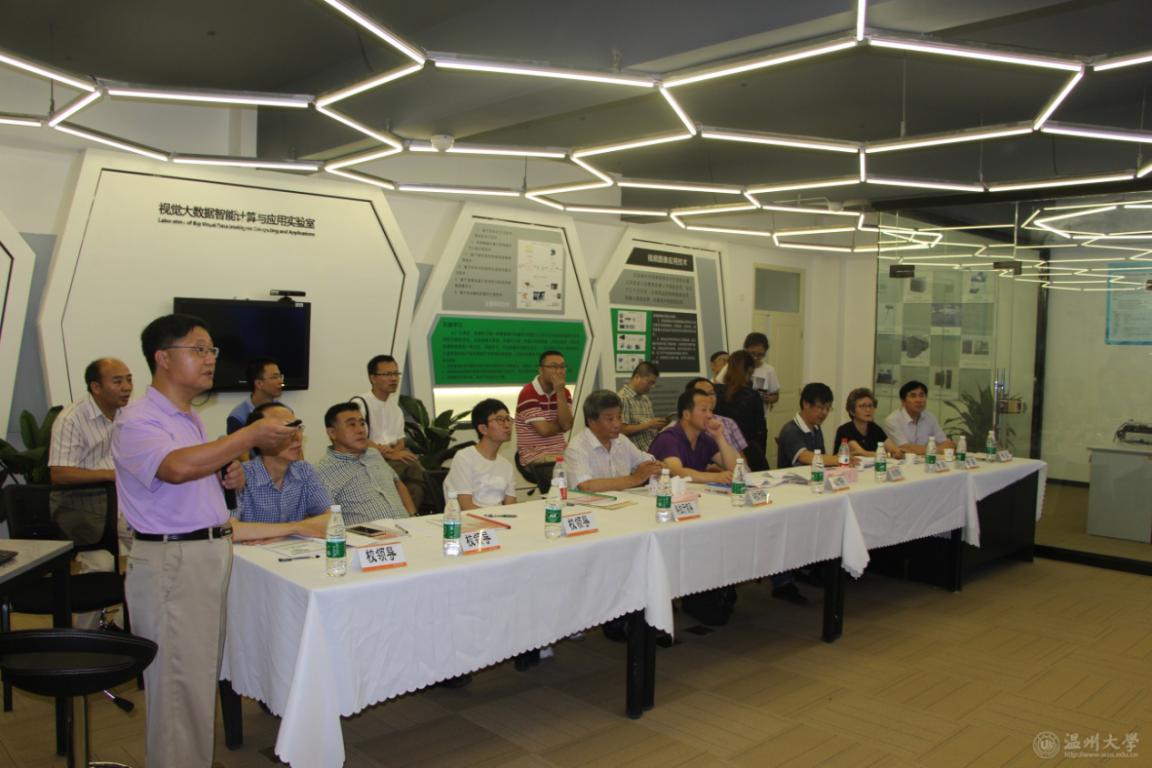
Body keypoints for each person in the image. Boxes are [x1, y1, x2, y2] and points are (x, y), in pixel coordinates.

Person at [112, 313, 296, 768]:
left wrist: (224, 475)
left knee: (196, 680)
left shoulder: (188, 418)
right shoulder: (137, 419)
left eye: (211, 350)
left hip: (204, 553)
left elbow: (187, 475)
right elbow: (174, 468)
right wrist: (245, 437)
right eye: (198, 349)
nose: (210, 359)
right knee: (177, 688)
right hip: (173, 559)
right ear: (163, 358)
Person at [48, 357, 133, 627]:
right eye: (117, 381)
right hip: (80, 506)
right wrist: (112, 476)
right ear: (96, 387)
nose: (127, 387)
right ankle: (84, 639)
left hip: (120, 504)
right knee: (101, 566)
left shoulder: (129, 414)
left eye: (129, 379)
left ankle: (118, 626)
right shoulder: (72, 419)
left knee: (157, 556)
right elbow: (59, 474)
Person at [231, 402, 332, 542]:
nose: (296, 436)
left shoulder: (304, 471)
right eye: (285, 430)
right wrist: (294, 529)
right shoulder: (239, 476)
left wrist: (289, 530)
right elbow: (229, 530)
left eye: (298, 428)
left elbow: (333, 519)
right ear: (258, 439)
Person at [316, 402, 416, 525]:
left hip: (408, 528)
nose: (360, 430)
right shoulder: (322, 472)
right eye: (351, 424)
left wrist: (414, 516)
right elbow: (321, 518)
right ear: (332, 433)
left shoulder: (374, 454)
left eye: (362, 423)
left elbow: (397, 483)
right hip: (369, 536)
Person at [353, 354, 426, 511]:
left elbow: (400, 441)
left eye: (396, 373)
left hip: (390, 457)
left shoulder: (396, 409)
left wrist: (394, 453)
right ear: (372, 378)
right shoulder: (360, 403)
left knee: (414, 465)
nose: (393, 378)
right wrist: (389, 454)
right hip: (367, 459)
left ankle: (410, 513)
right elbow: (357, 438)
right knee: (413, 468)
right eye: (387, 374)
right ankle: (409, 514)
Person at [564, 390, 664, 493]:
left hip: (623, 501)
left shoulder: (621, 440)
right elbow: (586, 486)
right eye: (610, 419)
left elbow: (645, 461)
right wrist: (634, 479)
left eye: (619, 417)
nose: (617, 424)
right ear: (591, 421)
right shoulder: (577, 447)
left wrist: (655, 466)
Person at [649, 388, 738, 483]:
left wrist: (719, 437)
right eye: (704, 410)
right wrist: (715, 477)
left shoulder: (704, 439)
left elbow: (737, 468)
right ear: (686, 414)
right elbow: (676, 472)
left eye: (711, 410)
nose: (710, 415)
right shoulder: (668, 438)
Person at [443, 398, 518, 510]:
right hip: (472, 519)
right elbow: (465, 506)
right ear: (483, 429)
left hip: (499, 518)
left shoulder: (506, 465)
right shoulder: (464, 458)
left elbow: (511, 506)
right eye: (500, 420)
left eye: (508, 419)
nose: (507, 425)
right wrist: (495, 518)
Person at [514, 350, 574, 480]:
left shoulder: (564, 393)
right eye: (554, 367)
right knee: (566, 474)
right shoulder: (528, 393)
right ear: (541, 370)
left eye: (562, 367)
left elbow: (566, 425)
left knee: (587, 463)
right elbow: (544, 431)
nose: (559, 371)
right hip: (535, 455)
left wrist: (559, 392)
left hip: (560, 451)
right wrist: (560, 425)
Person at [715, 350, 769, 471]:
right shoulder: (752, 396)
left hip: (720, 451)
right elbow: (760, 431)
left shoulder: (715, 391)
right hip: (747, 451)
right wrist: (761, 453)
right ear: (749, 370)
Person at [683, 377, 749, 461]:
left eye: (712, 393)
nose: (710, 398)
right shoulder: (684, 427)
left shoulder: (728, 423)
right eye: (703, 394)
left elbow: (741, 460)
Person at [883, 380, 955, 455]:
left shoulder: (930, 417)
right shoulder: (893, 420)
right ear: (903, 401)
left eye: (921, 395)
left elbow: (946, 444)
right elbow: (905, 448)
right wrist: (938, 448)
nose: (918, 400)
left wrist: (946, 446)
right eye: (913, 396)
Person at [834, 388, 905, 460]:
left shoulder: (875, 428)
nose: (868, 410)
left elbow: (894, 450)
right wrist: (888, 455)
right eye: (862, 406)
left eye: (870, 406)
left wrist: (897, 452)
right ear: (852, 411)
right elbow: (861, 453)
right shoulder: (845, 430)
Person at [777, 382, 834, 468]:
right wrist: (840, 459)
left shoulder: (816, 427)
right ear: (806, 404)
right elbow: (806, 457)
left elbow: (821, 456)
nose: (825, 412)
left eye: (828, 408)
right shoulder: (790, 431)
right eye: (821, 407)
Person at [617, 361, 667, 452]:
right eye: (650, 382)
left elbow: (649, 426)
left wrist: (657, 425)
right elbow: (621, 430)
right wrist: (649, 425)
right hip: (638, 452)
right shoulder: (623, 398)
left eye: (653, 383)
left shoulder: (645, 398)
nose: (652, 386)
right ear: (637, 377)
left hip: (654, 445)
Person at [226, 357, 284, 434]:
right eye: (274, 377)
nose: (280, 381)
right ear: (259, 383)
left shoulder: (285, 411)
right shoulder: (238, 417)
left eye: (280, 376)